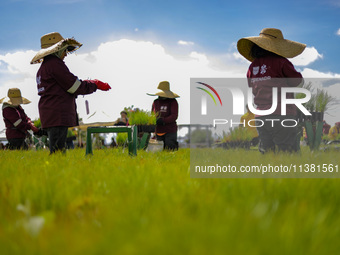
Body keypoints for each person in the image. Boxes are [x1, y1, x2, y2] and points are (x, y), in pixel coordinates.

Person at [30, 32, 111, 154]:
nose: (66, 54)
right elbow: (73, 86)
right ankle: (55, 172)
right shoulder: (55, 65)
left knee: (56, 149)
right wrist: (95, 84)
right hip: (58, 112)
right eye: (64, 50)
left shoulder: (44, 67)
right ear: (57, 50)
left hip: (50, 113)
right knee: (58, 152)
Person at [237, 28, 306, 153]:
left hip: (261, 117)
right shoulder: (281, 62)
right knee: (287, 153)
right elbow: (298, 82)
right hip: (282, 114)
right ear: (278, 47)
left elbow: (251, 86)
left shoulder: (252, 67)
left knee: (267, 153)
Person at [148, 81, 179, 151]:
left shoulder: (173, 102)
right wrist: (154, 121)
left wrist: (163, 120)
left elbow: (174, 116)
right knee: (159, 150)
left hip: (170, 130)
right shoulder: (155, 102)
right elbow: (153, 114)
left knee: (170, 149)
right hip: (159, 130)